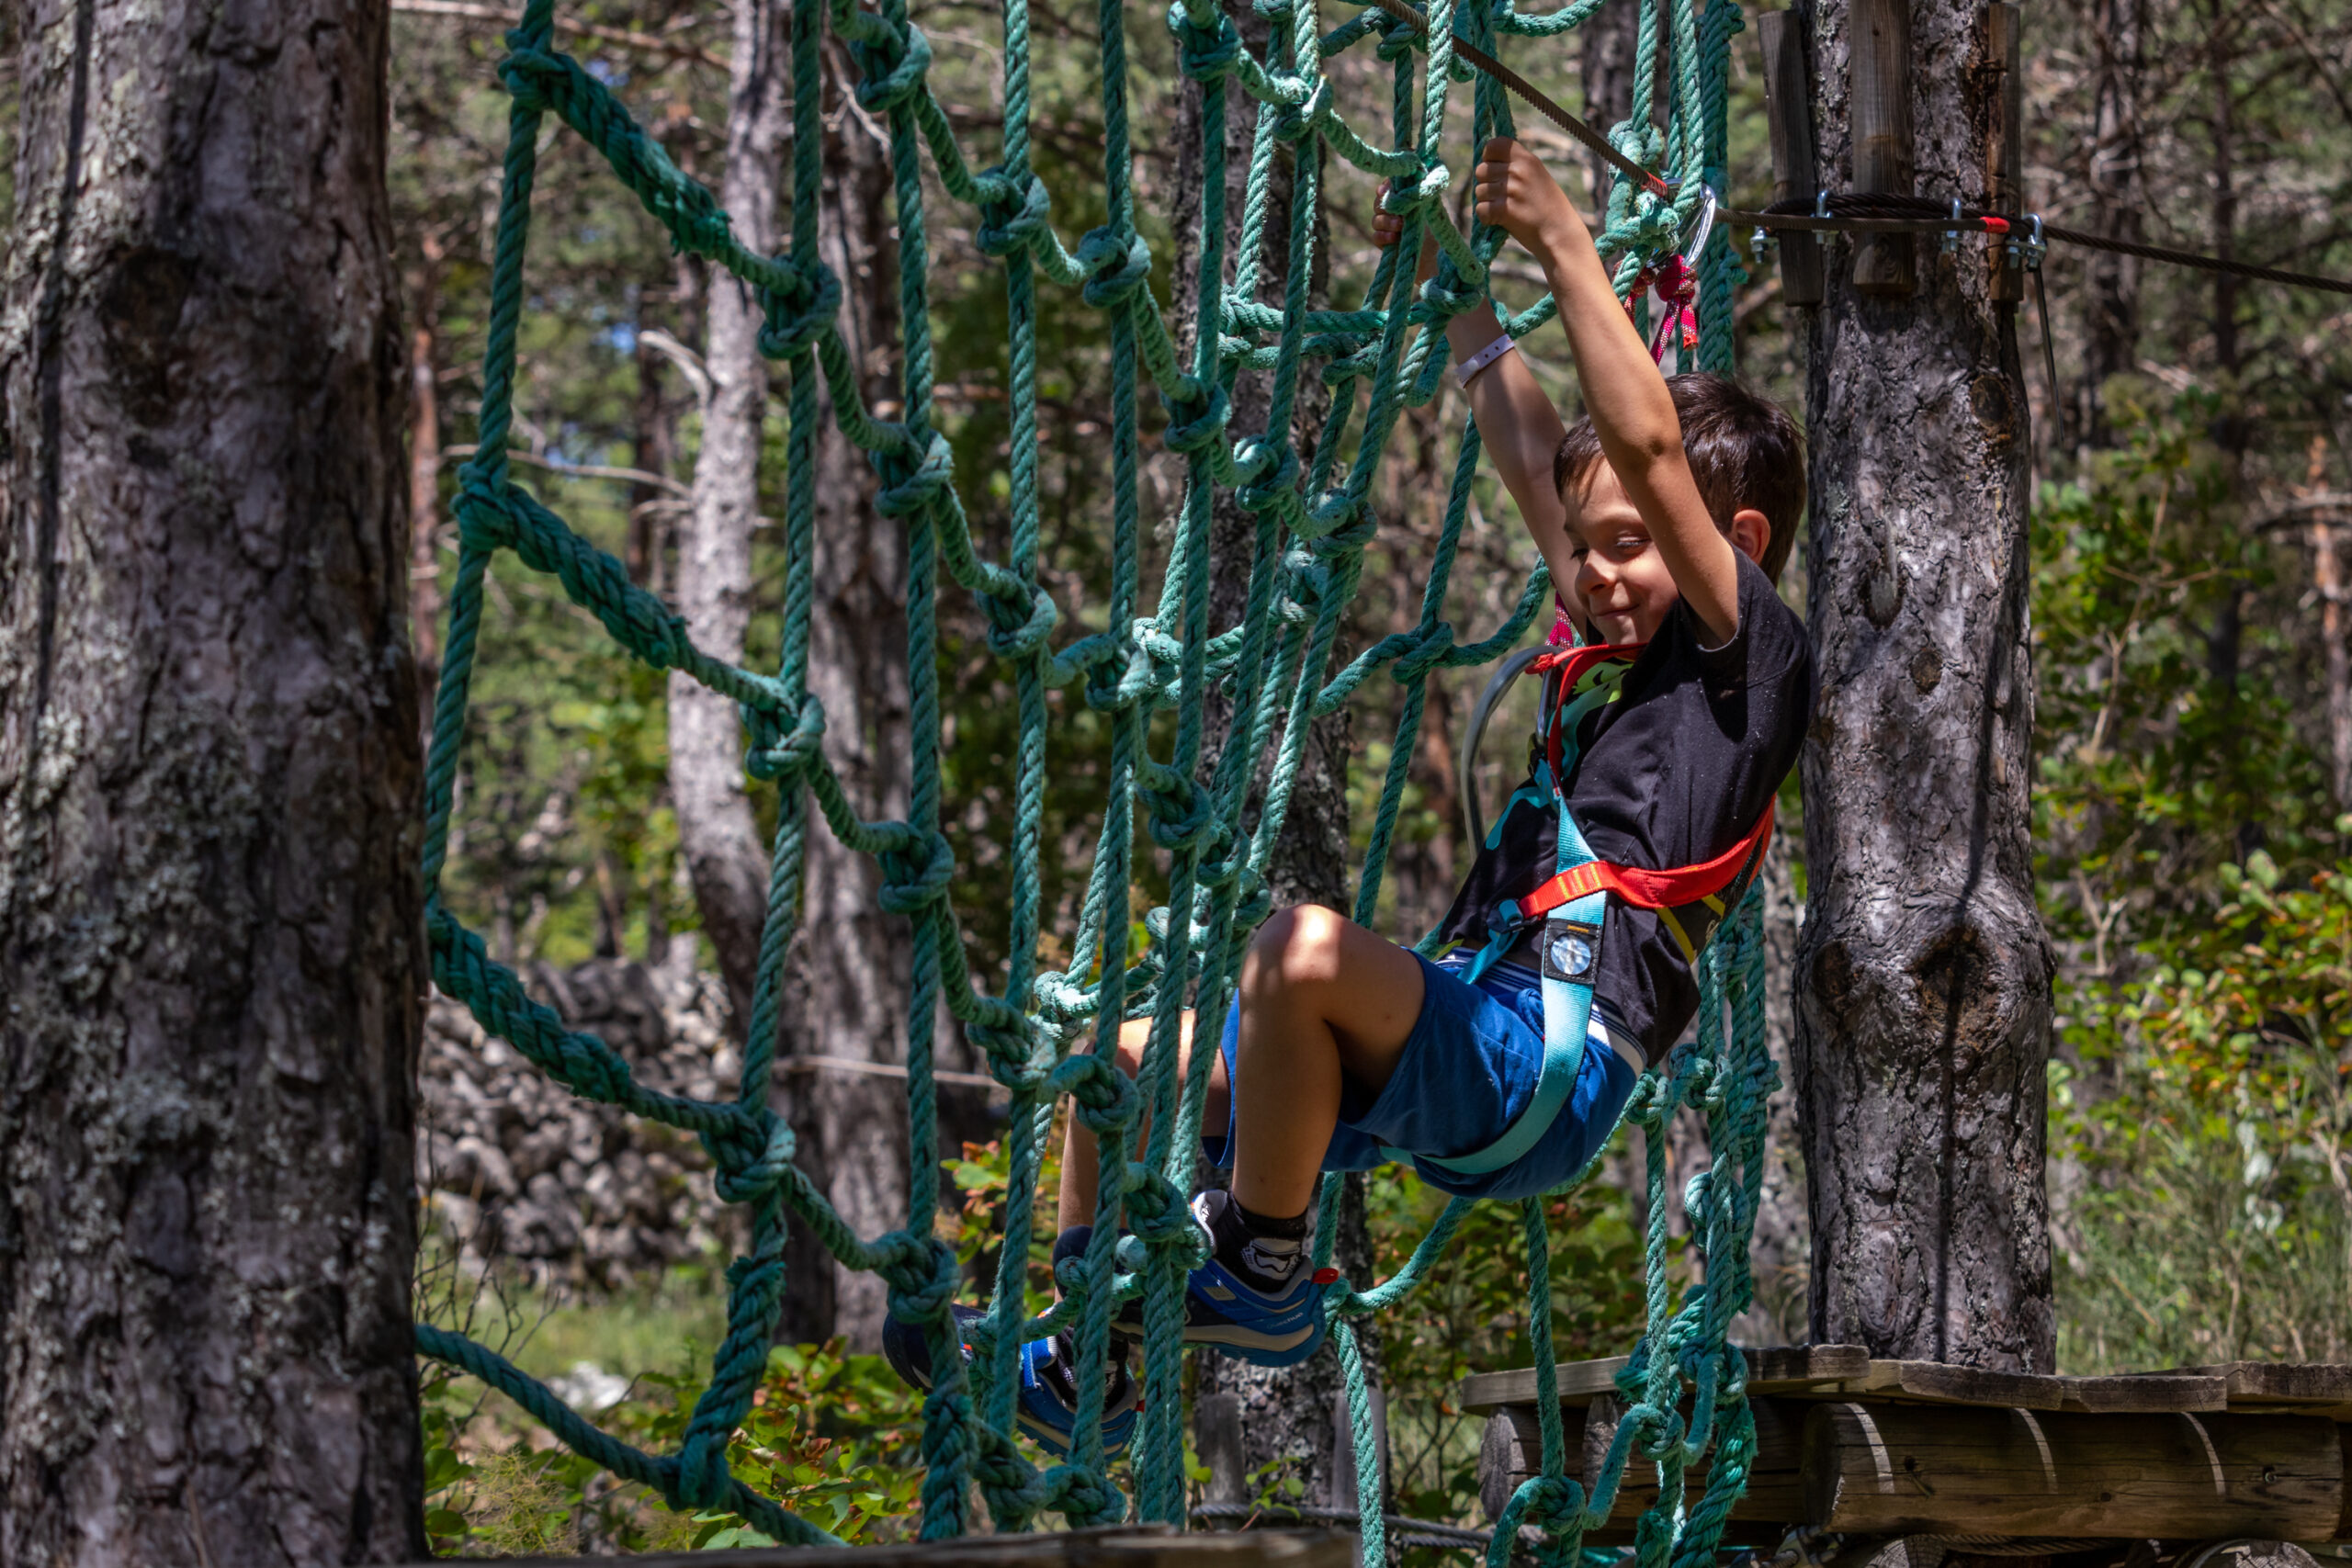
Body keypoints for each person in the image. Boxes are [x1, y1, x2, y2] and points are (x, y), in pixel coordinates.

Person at [886, 138, 1814, 1450]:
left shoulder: (1749, 665)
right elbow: (1537, 444)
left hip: (1549, 1061)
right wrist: (1463, 293)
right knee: (1122, 1059)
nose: (1597, 572)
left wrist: (1561, 241)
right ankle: (1093, 1344)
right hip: (1476, 1034)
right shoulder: (1620, 646)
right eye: (1588, 547)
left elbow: (1648, 448)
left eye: (1629, 547)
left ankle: (1262, 1271)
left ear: (1740, 547)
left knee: (1298, 951)